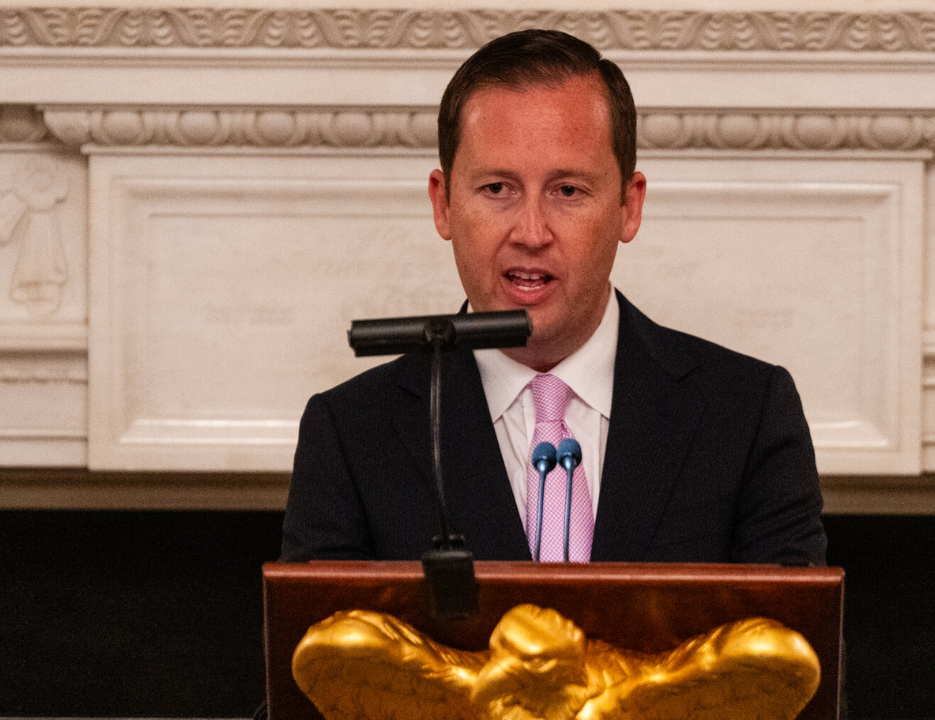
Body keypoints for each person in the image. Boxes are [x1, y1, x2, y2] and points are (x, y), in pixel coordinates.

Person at [281, 29, 826, 566]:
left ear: (629, 206)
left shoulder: (749, 414)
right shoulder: (351, 432)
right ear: (443, 204)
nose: (531, 232)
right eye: (497, 188)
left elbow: (789, 626)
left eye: (568, 190)